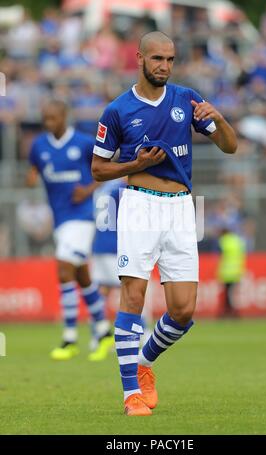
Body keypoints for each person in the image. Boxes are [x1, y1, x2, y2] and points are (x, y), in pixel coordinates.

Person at [91, 31, 237, 416]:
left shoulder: (187, 99)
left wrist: (219, 117)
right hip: (139, 204)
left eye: (170, 60)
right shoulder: (118, 110)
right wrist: (134, 166)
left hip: (182, 208)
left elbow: (230, 146)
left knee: (184, 310)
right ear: (139, 58)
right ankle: (130, 396)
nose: (165, 66)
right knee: (134, 297)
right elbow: (98, 168)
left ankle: (144, 365)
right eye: (157, 59)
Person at [26, 100, 113, 361]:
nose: (48, 122)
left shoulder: (84, 144)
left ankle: (69, 338)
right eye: (45, 118)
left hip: (83, 216)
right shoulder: (39, 146)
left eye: (53, 117)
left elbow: (104, 170)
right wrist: (30, 178)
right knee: (82, 276)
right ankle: (103, 330)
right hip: (60, 219)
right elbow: (34, 170)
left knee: (64, 269)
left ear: (64, 116)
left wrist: (87, 190)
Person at [90, 177, 152, 361]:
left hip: (99, 244)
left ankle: (98, 334)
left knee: (102, 291)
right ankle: (143, 331)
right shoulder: (123, 189)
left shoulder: (102, 189)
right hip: (117, 244)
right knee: (131, 288)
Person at [217, 227, 246, 318]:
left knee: (228, 294)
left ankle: (229, 312)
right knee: (231, 294)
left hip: (227, 272)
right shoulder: (238, 241)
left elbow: (218, 253)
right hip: (236, 271)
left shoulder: (224, 241)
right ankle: (231, 311)